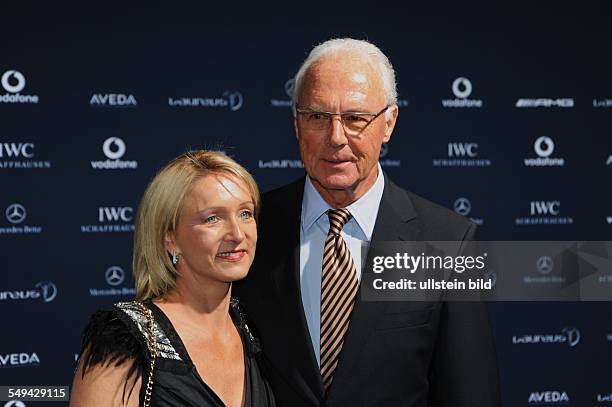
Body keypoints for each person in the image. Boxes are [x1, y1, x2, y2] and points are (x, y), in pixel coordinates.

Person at [234, 38, 501, 406]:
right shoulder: (252, 229)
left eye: (356, 119)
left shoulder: (448, 241)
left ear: (388, 123)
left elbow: (470, 393)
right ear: (297, 122)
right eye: (317, 117)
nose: (336, 138)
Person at [71, 150, 276, 407]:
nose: (237, 233)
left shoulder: (256, 332)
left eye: (245, 213)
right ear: (171, 239)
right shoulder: (125, 341)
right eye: (212, 218)